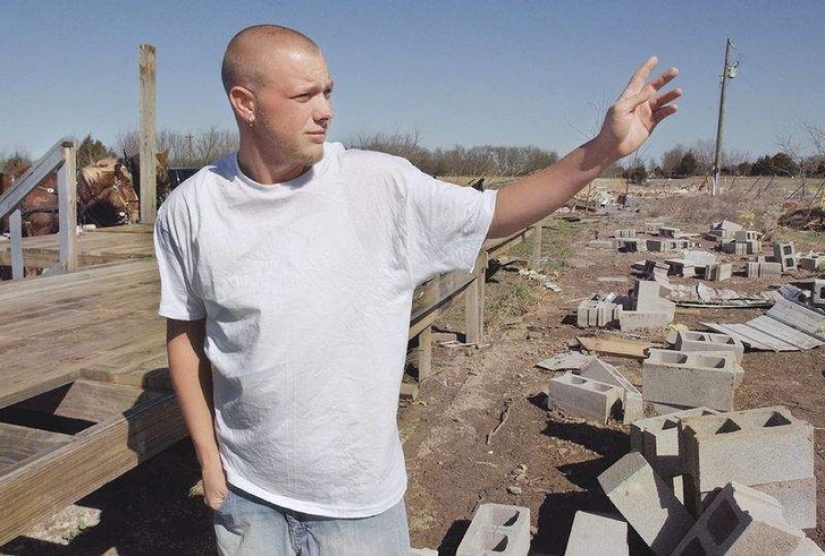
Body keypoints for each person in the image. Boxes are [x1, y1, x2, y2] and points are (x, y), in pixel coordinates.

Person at [154, 24, 680, 555]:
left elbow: (498, 212)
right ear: (245, 103)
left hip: (358, 509)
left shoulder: (380, 186)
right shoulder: (190, 210)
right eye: (304, 95)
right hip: (248, 499)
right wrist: (208, 459)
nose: (326, 110)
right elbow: (185, 335)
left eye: (328, 91)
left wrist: (603, 151)